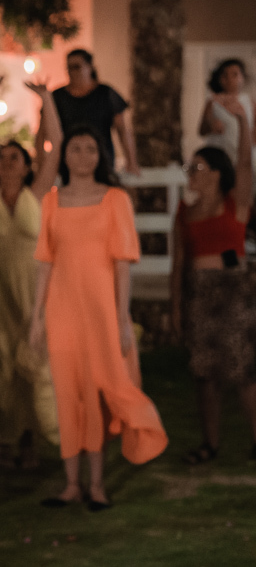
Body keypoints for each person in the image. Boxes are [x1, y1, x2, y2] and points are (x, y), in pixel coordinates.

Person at [30, 125, 168, 510]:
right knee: (66, 390)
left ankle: (97, 485)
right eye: (76, 148)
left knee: (98, 389)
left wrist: (123, 318)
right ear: (65, 154)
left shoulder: (115, 199)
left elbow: (123, 264)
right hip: (61, 309)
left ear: (101, 154)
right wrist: (35, 317)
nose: (84, 155)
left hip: (101, 310)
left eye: (92, 148)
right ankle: (71, 484)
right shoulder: (52, 202)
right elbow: (44, 262)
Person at [0, 81, 63, 469]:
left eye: (14, 158)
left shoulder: (36, 193)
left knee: (36, 362)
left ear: (25, 165)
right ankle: (10, 436)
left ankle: (40, 438)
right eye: (2, 158)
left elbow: (53, 147)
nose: (6, 163)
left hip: (33, 287)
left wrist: (47, 100)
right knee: (3, 365)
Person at [172, 103, 256, 464]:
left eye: (198, 167)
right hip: (200, 293)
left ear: (217, 173)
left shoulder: (235, 203)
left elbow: (245, 166)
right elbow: (178, 265)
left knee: (244, 371)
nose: (192, 172)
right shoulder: (184, 212)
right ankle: (210, 444)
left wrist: (242, 122)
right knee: (204, 373)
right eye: (190, 167)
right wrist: (176, 307)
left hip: (235, 289)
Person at [51, 49, 140, 175]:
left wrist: (131, 162)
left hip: (103, 163)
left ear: (90, 67)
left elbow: (123, 131)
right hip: (67, 166)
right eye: (68, 67)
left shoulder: (106, 94)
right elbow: (45, 133)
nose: (72, 71)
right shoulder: (57, 97)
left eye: (76, 67)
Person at [197, 59, 255, 169]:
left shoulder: (250, 103)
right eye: (225, 75)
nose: (229, 79)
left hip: (243, 158)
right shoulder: (213, 102)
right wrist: (211, 126)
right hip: (220, 157)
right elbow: (201, 130)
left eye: (234, 75)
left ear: (242, 78)